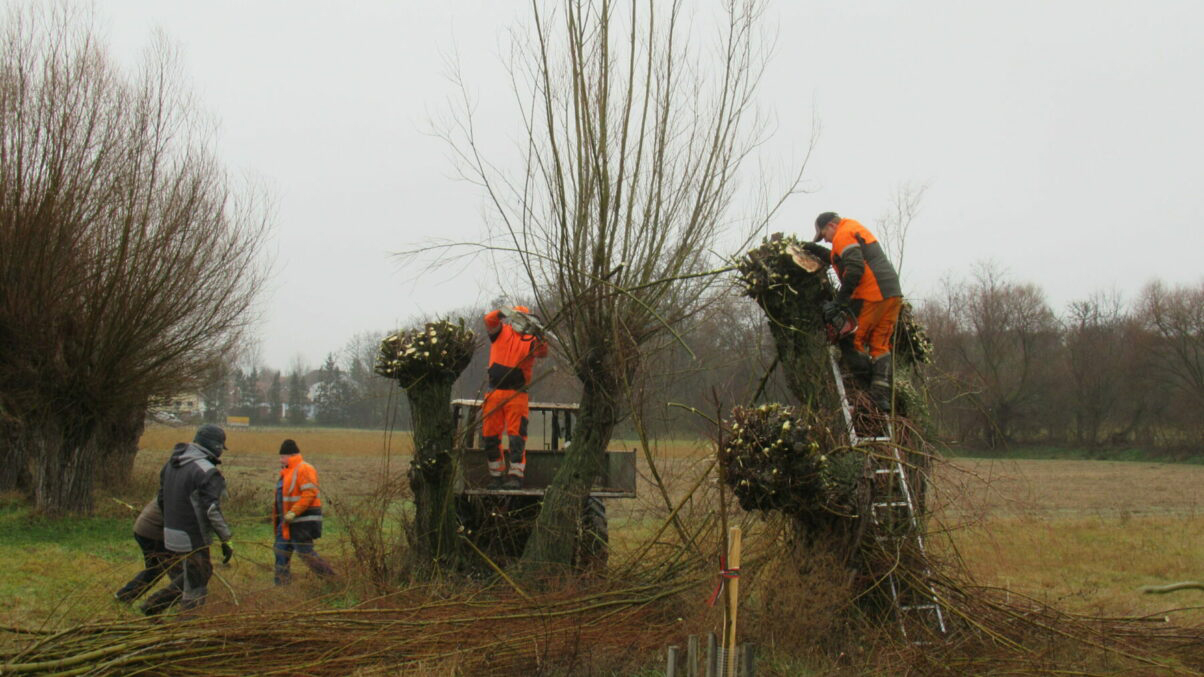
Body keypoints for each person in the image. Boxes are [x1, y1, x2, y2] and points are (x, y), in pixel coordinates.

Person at [803, 211, 903, 411]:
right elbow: (842, 259)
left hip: (871, 292)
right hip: (892, 293)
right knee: (880, 345)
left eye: (824, 235)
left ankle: (867, 390)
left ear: (831, 225)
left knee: (850, 339)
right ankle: (880, 395)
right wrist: (815, 249)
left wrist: (840, 302)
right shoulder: (853, 229)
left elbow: (855, 267)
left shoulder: (842, 234)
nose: (827, 240)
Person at [140, 423, 234, 616]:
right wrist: (226, 539)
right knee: (197, 581)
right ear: (216, 446)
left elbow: (162, 499)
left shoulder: (173, 463)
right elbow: (212, 510)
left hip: (170, 533)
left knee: (197, 572)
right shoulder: (207, 471)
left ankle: (152, 605)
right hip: (192, 536)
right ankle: (187, 624)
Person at [482, 305, 549, 489]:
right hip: (494, 391)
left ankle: (515, 476)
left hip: (517, 394)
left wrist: (540, 336)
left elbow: (543, 352)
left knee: (517, 436)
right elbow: (489, 320)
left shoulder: (531, 338)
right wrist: (502, 312)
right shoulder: (500, 331)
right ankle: (495, 475)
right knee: (489, 435)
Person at [273, 439, 335, 585]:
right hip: (287, 522)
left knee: (305, 553)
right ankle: (281, 586)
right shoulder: (286, 472)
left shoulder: (304, 469)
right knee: (280, 551)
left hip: (302, 521)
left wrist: (294, 512)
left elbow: (309, 493)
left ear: (290, 455)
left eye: (282, 457)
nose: (280, 460)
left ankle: (331, 579)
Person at [113, 499, 171, 603]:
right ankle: (154, 604)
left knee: (157, 568)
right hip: (152, 532)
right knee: (162, 568)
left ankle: (125, 596)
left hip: (145, 527)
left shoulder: (172, 485)